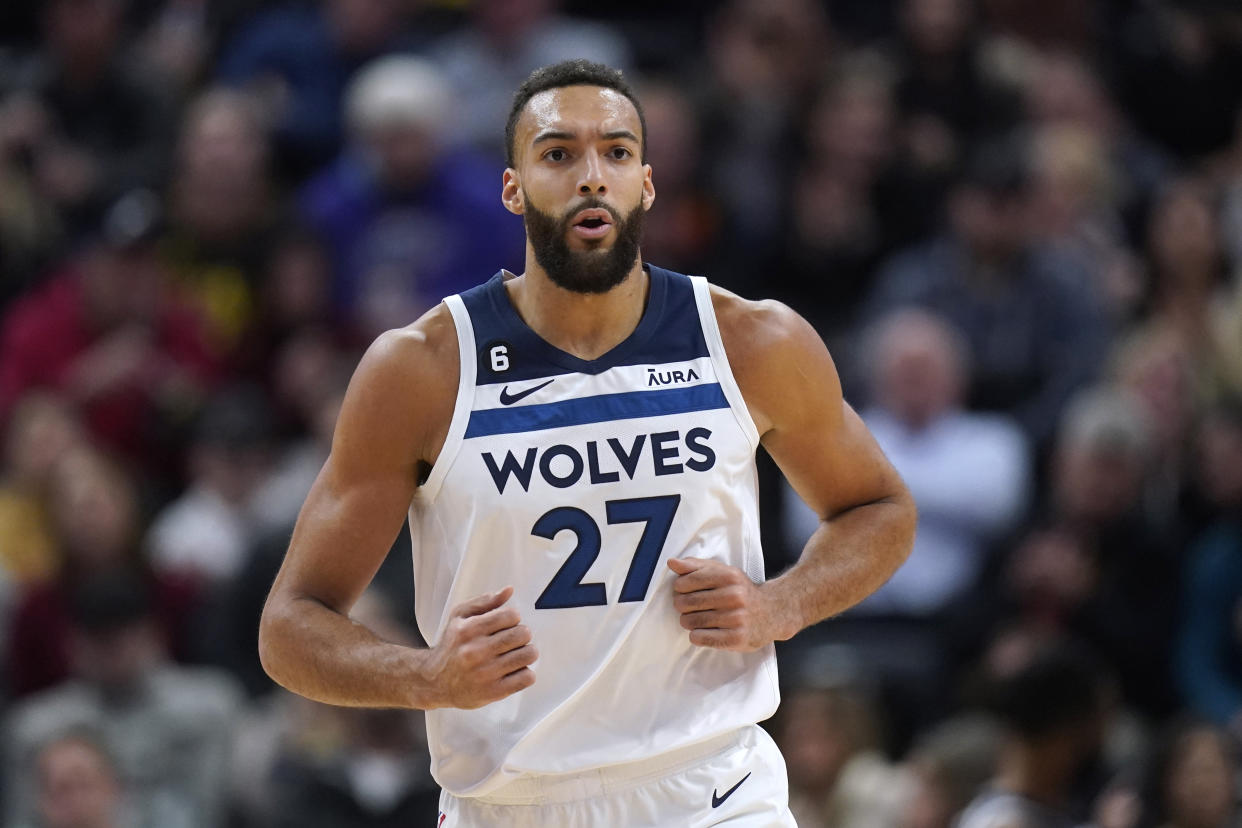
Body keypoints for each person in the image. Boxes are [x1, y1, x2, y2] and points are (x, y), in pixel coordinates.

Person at [259, 59, 916, 827]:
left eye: (616, 151)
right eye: (559, 153)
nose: (592, 175)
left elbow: (881, 509)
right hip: (510, 804)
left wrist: (784, 604)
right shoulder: (424, 368)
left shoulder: (749, 340)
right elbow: (289, 626)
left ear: (647, 182)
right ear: (512, 187)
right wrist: (426, 676)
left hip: (714, 790)